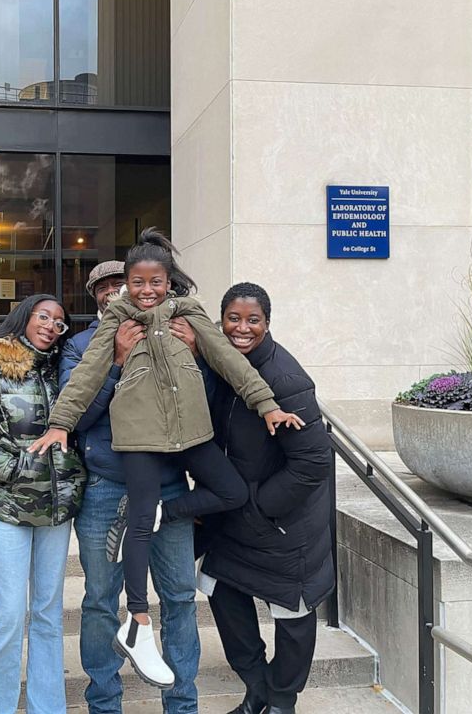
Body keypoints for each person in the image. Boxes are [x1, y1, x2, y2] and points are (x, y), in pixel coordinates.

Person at [29, 229, 304, 689]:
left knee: (231, 491)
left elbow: (231, 363)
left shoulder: (189, 314)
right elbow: (86, 377)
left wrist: (266, 403)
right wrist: (61, 423)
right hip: (135, 443)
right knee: (129, 541)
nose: (145, 291)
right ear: (120, 289)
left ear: (169, 281)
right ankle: (137, 623)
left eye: (155, 282)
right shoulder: (113, 322)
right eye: (135, 283)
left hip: (186, 438)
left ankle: (165, 513)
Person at [62, 260, 202, 714]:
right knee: (101, 600)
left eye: (119, 284)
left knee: (179, 596)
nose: (112, 292)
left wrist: (195, 351)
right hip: (106, 490)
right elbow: (77, 418)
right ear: (95, 296)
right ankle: (104, 703)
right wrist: (116, 363)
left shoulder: (173, 332)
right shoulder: (79, 347)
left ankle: (181, 704)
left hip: (168, 489)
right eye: (103, 287)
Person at [198, 282, 335, 714]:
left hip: (281, 524)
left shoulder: (285, 379)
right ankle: (257, 687)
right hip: (234, 517)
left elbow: (313, 462)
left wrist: (258, 507)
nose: (242, 328)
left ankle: (281, 700)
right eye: (233, 319)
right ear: (220, 322)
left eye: (252, 320)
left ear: (267, 323)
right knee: (222, 593)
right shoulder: (220, 366)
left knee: (292, 617)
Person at [0, 294, 87, 714]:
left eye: (59, 322)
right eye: (42, 316)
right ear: (24, 318)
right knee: (10, 614)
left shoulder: (65, 373)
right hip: (10, 508)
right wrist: (16, 469)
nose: (50, 325)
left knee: (47, 613)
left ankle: (48, 707)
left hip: (58, 509)